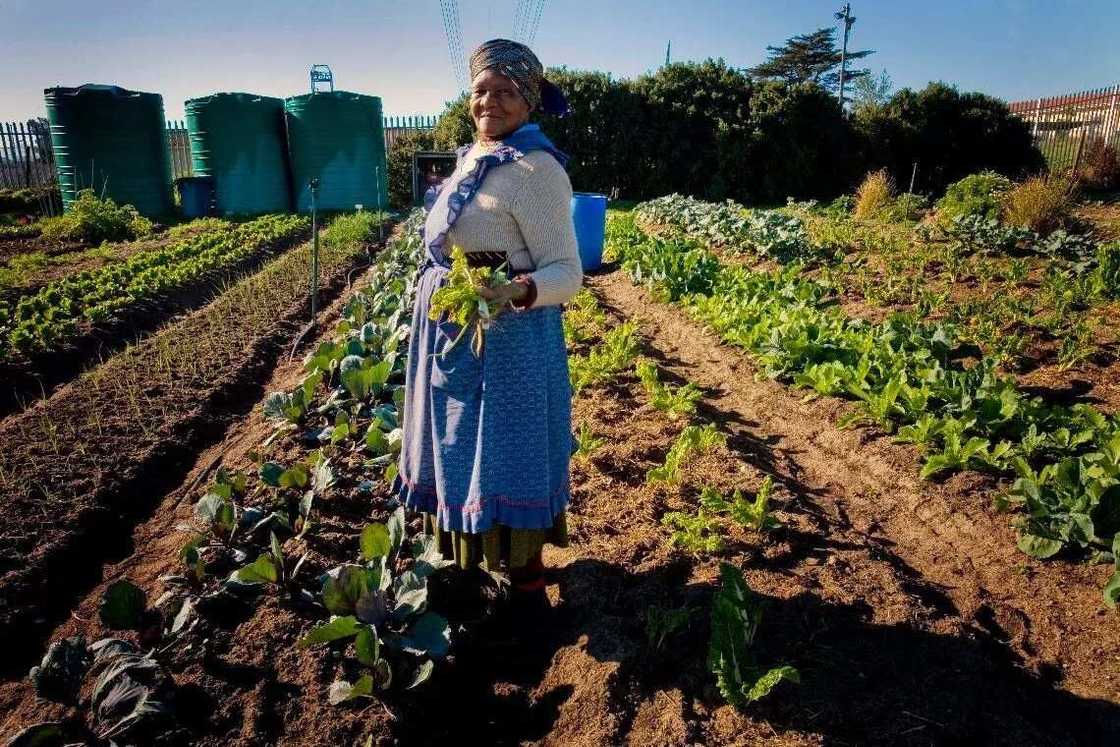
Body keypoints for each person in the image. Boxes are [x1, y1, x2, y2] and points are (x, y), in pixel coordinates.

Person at [394, 39, 581, 612]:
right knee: (455, 446)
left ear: (527, 101)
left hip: (509, 340)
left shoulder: (537, 169)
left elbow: (569, 271)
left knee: (508, 453)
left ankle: (526, 585)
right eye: (480, 91)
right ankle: (469, 572)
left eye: (504, 92)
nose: (489, 102)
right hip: (455, 331)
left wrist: (519, 289)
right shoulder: (474, 158)